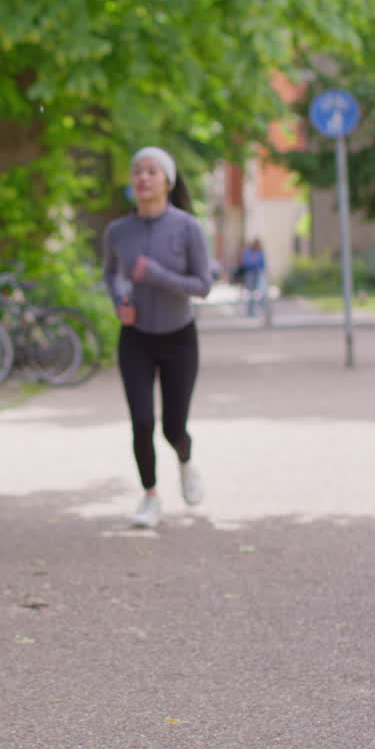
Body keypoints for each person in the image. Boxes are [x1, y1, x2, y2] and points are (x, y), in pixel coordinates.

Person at [103, 147, 213, 528]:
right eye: (137, 171)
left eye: (152, 171)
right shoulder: (118, 232)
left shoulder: (187, 227)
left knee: (172, 427)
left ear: (167, 180)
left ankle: (186, 461)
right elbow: (111, 275)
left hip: (179, 337)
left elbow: (203, 285)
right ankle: (150, 496)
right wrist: (120, 300)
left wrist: (156, 275)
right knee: (142, 421)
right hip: (135, 337)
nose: (143, 178)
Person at [239, 237, 267, 317]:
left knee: (260, 292)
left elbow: (262, 264)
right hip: (250, 273)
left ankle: (262, 310)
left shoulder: (260, 253)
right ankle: (250, 311)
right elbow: (245, 263)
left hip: (258, 273)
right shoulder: (248, 252)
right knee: (250, 292)